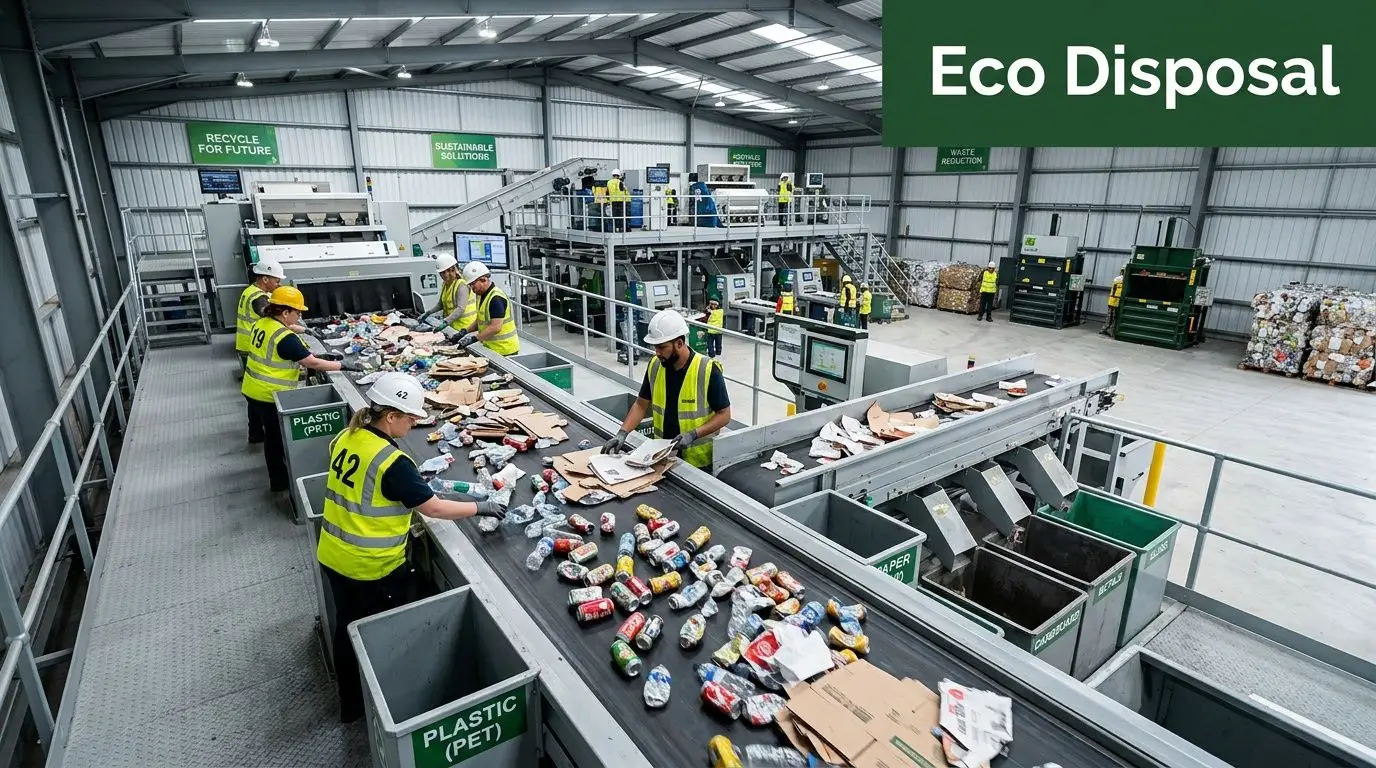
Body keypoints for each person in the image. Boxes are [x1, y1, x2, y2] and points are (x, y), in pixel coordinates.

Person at [318, 372, 507, 722]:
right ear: (391, 416)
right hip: (372, 566)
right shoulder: (392, 462)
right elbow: (433, 507)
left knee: (347, 627)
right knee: (386, 636)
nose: (414, 423)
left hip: (333, 553)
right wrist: (480, 507)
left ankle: (351, 705)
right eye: (410, 417)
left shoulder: (348, 436)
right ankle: (393, 706)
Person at [241, 286, 362, 492]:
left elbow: (287, 332)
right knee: (275, 439)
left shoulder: (264, 322)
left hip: (252, 387)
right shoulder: (284, 337)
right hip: (269, 394)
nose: (299, 316)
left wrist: (305, 330)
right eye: (297, 312)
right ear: (285, 312)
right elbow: (311, 363)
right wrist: (342, 365)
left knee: (268, 434)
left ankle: (276, 475)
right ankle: (279, 483)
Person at [601, 310, 732, 469]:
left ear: (679, 343)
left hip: (699, 462)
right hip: (662, 456)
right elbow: (641, 404)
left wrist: (693, 434)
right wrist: (622, 433)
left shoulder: (707, 369)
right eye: (655, 347)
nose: (657, 353)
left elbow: (724, 415)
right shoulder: (655, 365)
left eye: (662, 347)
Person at [455, 262, 520, 356]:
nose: (472, 288)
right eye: (470, 285)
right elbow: (480, 321)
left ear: (483, 279)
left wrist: (474, 338)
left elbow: (495, 327)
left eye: (473, 284)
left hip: (504, 350)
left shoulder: (496, 298)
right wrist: (464, 332)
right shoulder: (481, 296)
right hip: (492, 348)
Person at [418, 253, 477, 334]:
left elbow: (460, 309)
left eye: (445, 272)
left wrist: (445, 322)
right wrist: (428, 313)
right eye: (441, 273)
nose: (444, 276)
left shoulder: (462, 285)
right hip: (454, 327)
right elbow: (440, 305)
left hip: (466, 328)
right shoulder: (445, 284)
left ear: (453, 270)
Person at [607, 169, 630, 233]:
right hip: (621, 201)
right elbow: (624, 191)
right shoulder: (620, 182)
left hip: (613, 202)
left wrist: (608, 200)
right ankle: (622, 229)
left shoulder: (609, 182)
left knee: (614, 216)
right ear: (619, 175)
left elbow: (607, 192)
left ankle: (614, 229)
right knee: (622, 216)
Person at [1102, 269, 1124, 336]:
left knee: (1112, 317)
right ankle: (1105, 330)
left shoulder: (1118, 278)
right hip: (1114, 301)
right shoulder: (1120, 279)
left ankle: (1107, 329)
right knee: (1111, 317)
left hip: (1115, 301)